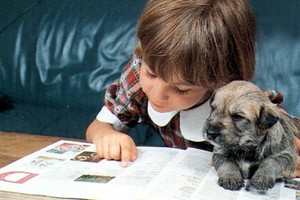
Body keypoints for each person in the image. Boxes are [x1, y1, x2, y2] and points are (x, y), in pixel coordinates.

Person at [86, 0, 257, 167]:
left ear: (220, 80)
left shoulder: (242, 104)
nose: (158, 94)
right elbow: (98, 126)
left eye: (181, 89)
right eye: (151, 74)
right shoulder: (139, 72)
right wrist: (106, 136)